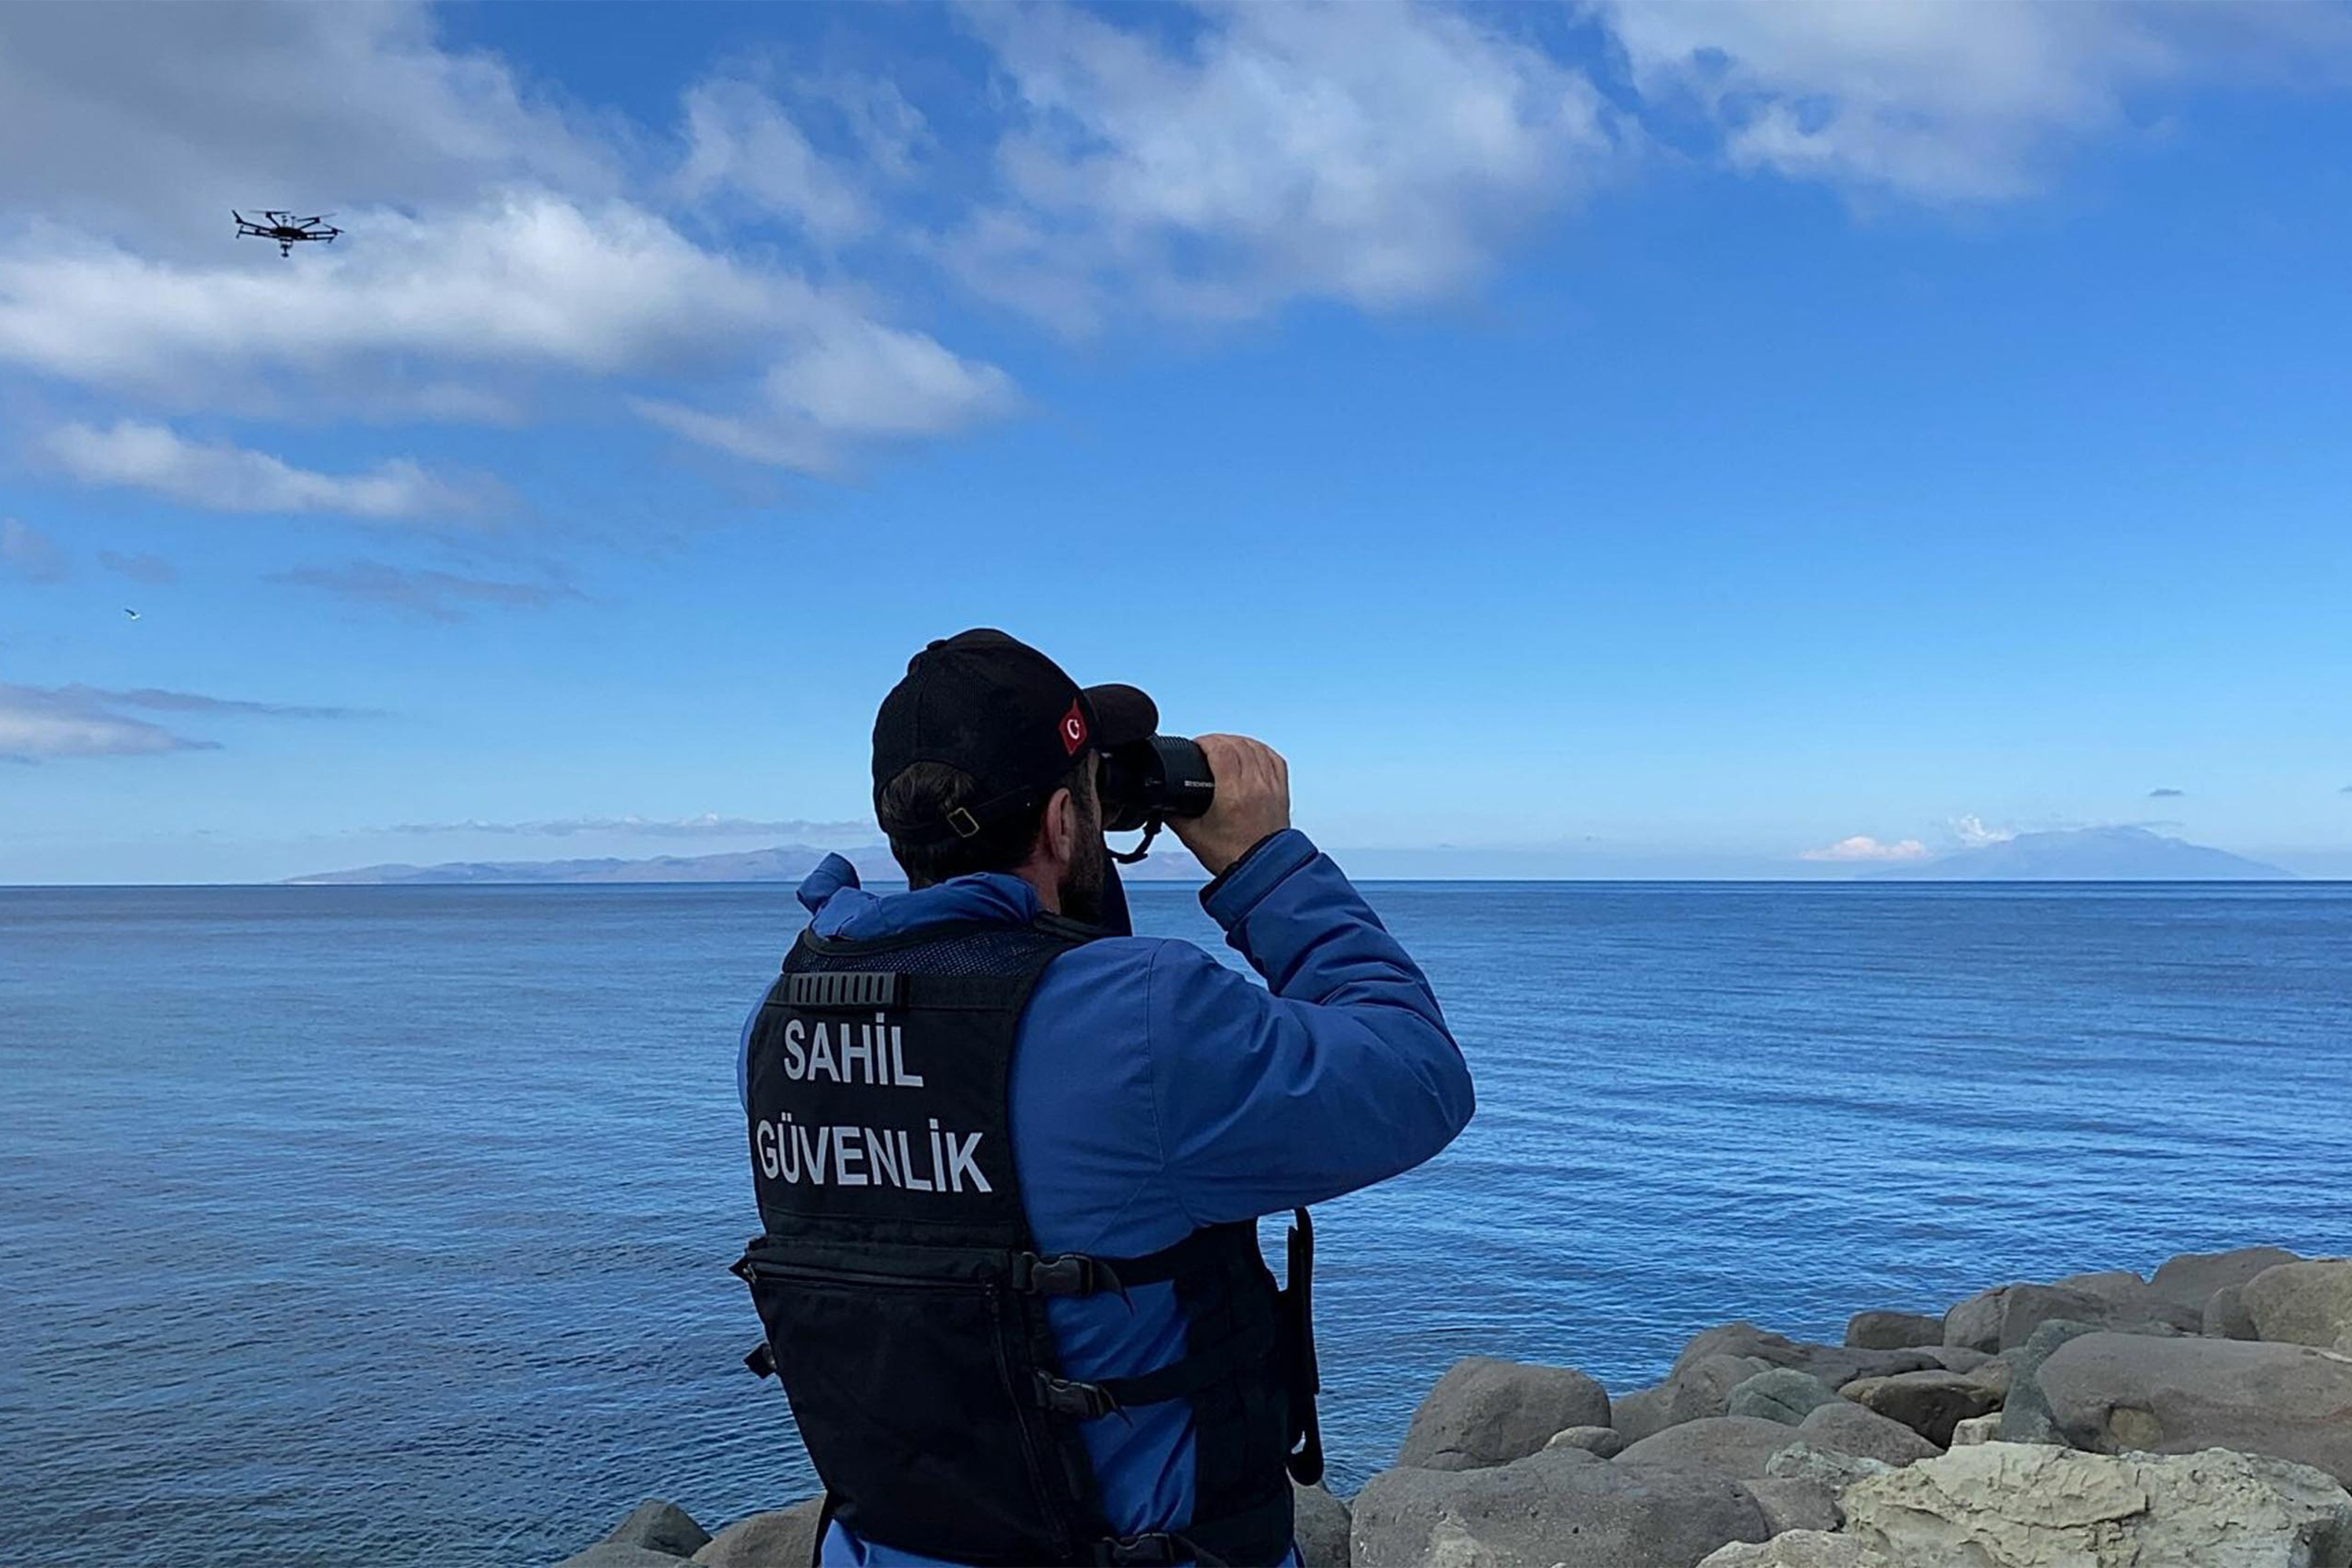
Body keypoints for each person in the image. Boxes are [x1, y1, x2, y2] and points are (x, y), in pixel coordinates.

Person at [731, 629, 1475, 1567]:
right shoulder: (1140, 1019)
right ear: (1059, 821)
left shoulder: (783, 1016)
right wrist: (1266, 860)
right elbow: (1418, 1075)